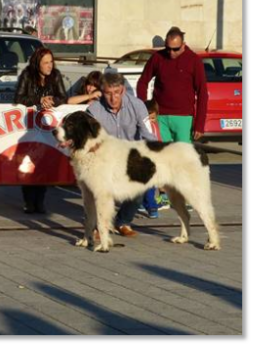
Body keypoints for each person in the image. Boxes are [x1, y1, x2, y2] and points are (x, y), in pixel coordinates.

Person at [87, 72, 156, 237]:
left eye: (116, 93)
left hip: (131, 157)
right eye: (108, 93)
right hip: (103, 159)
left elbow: (149, 136)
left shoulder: (138, 105)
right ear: (101, 92)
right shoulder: (93, 111)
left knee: (140, 189)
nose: (112, 98)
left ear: (123, 90)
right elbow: (89, 142)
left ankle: (123, 221)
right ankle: (97, 225)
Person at [14, 47, 67, 214]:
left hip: (46, 126)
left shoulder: (56, 75)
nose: (49, 66)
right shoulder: (27, 75)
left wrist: (52, 100)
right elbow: (19, 98)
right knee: (28, 163)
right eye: (46, 63)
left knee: (44, 163)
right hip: (29, 125)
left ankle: (40, 201)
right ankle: (29, 201)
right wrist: (39, 99)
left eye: (51, 62)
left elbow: (63, 97)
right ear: (37, 64)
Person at [137, 26, 209, 144]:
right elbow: (142, 82)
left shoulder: (194, 60)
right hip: (160, 118)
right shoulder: (158, 57)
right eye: (168, 48)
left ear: (183, 45)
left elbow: (202, 93)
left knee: (183, 158)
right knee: (161, 157)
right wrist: (145, 110)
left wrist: (199, 124)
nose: (171, 53)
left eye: (175, 49)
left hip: (184, 118)